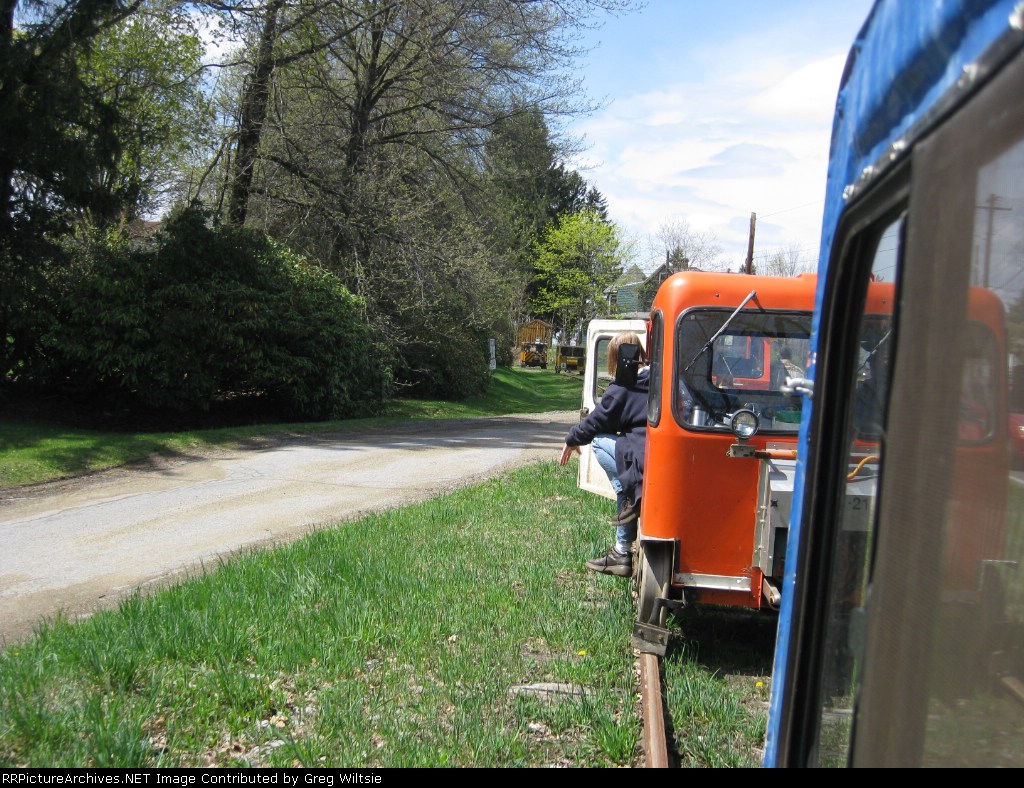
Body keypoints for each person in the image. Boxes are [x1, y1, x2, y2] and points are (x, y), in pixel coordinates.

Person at [559, 332, 649, 577]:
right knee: (626, 473)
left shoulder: (623, 387)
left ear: (616, 359)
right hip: (661, 459)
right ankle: (629, 497)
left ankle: (621, 550)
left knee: (601, 445)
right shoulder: (662, 379)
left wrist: (571, 439)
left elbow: (595, 424)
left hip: (640, 461)